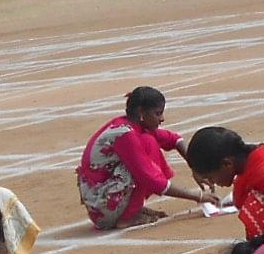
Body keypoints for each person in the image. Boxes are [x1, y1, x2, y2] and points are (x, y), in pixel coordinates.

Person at [76, 86, 210, 230]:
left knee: (147, 143)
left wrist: (195, 167)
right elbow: (151, 178)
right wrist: (198, 196)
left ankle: (131, 209)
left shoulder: (133, 126)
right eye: (158, 114)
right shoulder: (125, 135)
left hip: (103, 198)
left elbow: (175, 139)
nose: (162, 119)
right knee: (146, 153)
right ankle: (126, 217)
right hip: (102, 207)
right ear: (141, 113)